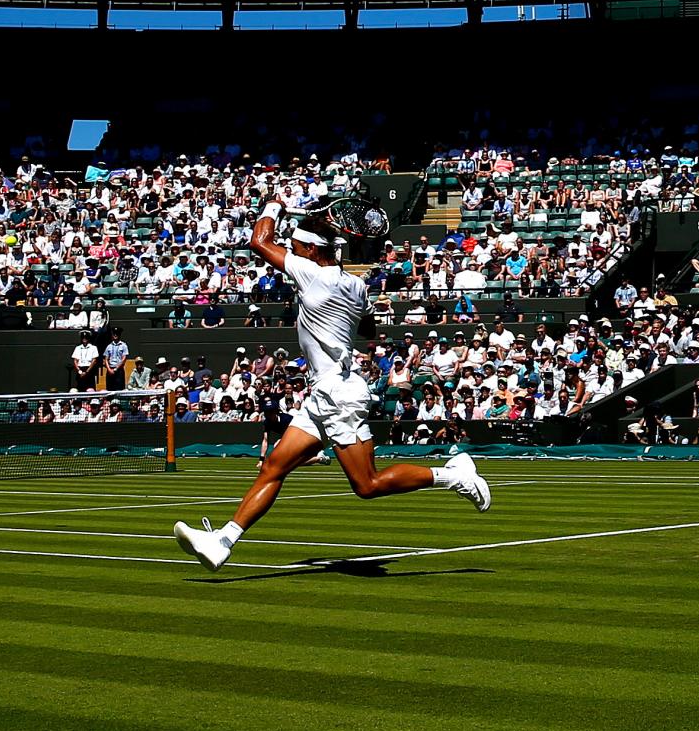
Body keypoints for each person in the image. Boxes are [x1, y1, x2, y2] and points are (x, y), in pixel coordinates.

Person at [177, 197, 487, 572]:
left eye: (296, 249)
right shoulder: (355, 287)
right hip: (324, 393)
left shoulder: (314, 275)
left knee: (367, 485)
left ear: (311, 249)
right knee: (273, 466)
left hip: (339, 394)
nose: (291, 253)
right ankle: (223, 541)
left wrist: (273, 206)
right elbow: (369, 329)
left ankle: (454, 476)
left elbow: (259, 242)